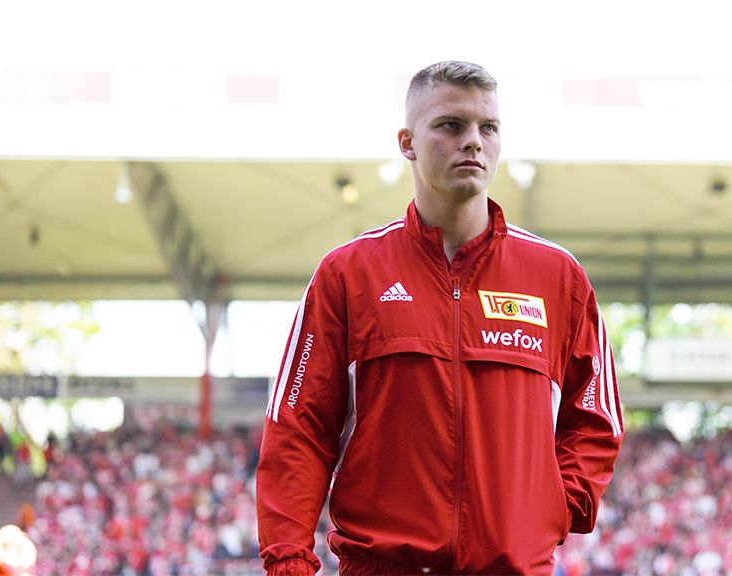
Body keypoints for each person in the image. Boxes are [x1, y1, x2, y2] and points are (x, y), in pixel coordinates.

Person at [257, 61, 624, 575]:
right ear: (407, 142)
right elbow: (298, 428)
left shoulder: (558, 278)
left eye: (488, 128)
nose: (473, 141)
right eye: (451, 125)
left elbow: (596, 414)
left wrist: (554, 508)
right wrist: (288, 562)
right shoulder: (347, 274)